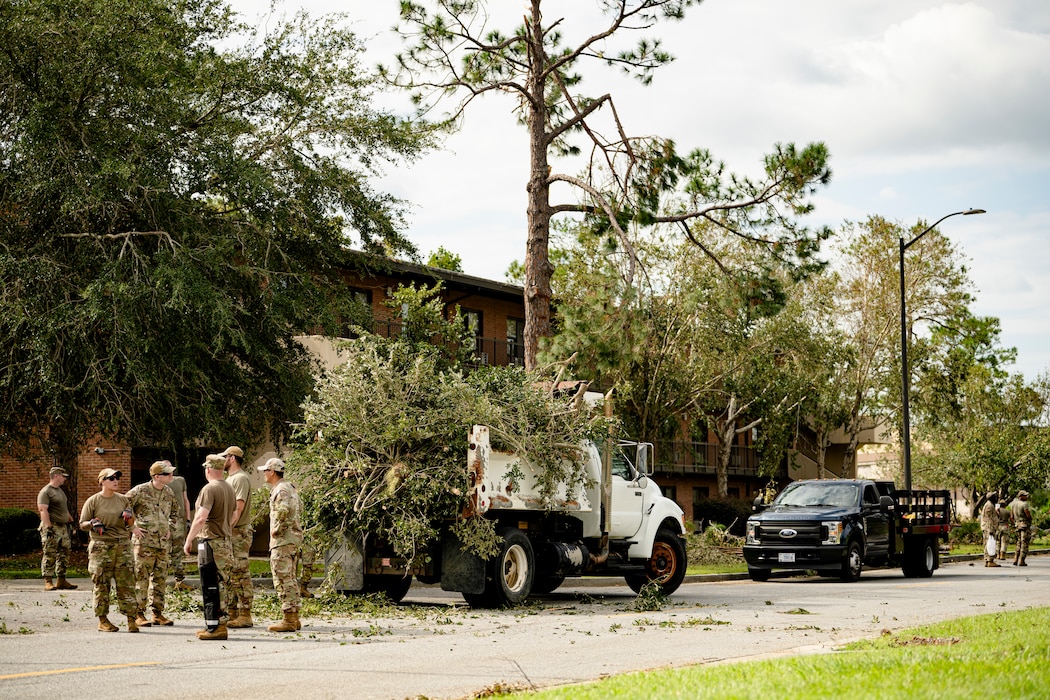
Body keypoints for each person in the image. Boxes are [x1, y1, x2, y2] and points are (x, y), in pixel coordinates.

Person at [80, 468, 140, 633]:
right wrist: (92, 523)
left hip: (122, 545)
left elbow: (130, 523)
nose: (115, 481)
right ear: (102, 482)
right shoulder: (93, 501)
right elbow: (82, 524)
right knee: (102, 583)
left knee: (127, 583)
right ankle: (103, 619)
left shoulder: (123, 500)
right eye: (111, 478)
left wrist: (129, 518)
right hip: (101, 546)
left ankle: (131, 619)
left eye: (117, 478)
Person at [185, 454, 236, 640]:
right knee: (221, 584)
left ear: (207, 469)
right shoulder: (229, 488)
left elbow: (200, 518)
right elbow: (233, 515)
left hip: (211, 543)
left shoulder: (209, 489)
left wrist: (189, 539)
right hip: (224, 541)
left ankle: (215, 627)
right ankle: (218, 624)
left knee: (210, 584)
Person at [126, 461, 178, 627]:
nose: (171, 476)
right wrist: (132, 527)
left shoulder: (168, 492)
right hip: (144, 543)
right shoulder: (140, 491)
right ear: (157, 476)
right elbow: (124, 507)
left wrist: (170, 527)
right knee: (141, 578)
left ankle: (157, 613)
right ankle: (138, 614)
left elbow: (175, 513)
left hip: (162, 544)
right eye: (167, 474)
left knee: (160, 579)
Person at [259, 458, 303, 632]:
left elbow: (283, 511)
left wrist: (276, 529)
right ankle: (294, 616)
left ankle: (289, 618)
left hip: (283, 540)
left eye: (265, 470)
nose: (263, 474)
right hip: (291, 539)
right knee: (290, 577)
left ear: (272, 471)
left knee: (282, 577)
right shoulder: (290, 487)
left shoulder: (281, 490)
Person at [221, 445, 254, 629]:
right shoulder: (230, 478)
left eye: (225, 456)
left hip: (238, 532)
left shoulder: (240, 478)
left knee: (241, 573)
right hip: (231, 533)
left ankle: (245, 613)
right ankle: (233, 612)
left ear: (232, 458)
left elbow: (238, 509)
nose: (223, 460)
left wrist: (227, 529)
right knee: (232, 573)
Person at [37, 466, 78, 591]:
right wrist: (48, 526)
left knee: (64, 552)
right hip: (52, 526)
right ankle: (48, 581)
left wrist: (69, 519)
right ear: (56, 476)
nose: (65, 479)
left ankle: (61, 579)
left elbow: (63, 508)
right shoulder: (46, 492)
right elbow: (43, 509)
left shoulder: (59, 491)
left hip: (63, 527)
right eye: (63, 477)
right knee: (50, 553)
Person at [167, 462, 194, 591]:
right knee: (164, 550)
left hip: (179, 520)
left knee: (178, 551)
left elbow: (185, 499)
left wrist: (188, 518)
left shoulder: (180, 480)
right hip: (165, 521)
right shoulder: (160, 483)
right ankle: (160, 581)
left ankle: (179, 580)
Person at [1008, 490, 1033, 566]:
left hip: (1017, 525)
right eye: (1025, 495)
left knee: (1018, 542)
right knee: (1024, 543)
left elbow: (1011, 517)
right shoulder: (1024, 504)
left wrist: (1015, 522)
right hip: (1024, 525)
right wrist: (1030, 519)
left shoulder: (1014, 505)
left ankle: (1015, 559)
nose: (1026, 497)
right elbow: (1027, 514)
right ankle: (1022, 560)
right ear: (1021, 496)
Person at [979, 492, 1000, 567]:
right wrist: (991, 529)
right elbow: (989, 519)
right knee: (990, 544)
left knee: (988, 544)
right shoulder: (989, 505)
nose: (996, 498)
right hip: (989, 527)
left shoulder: (990, 505)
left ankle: (987, 560)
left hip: (988, 527)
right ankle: (990, 560)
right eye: (995, 497)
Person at [996, 496, 1013, 561]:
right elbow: (1011, 519)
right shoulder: (1007, 511)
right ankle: (1002, 555)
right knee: (1004, 541)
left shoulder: (997, 511)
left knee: (998, 541)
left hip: (998, 526)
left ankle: (997, 554)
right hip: (1005, 526)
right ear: (1005, 505)